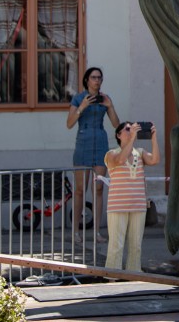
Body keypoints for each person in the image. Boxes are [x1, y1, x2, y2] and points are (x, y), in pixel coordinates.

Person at [66, 66, 119, 242]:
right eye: (94, 77)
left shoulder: (105, 98)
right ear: (87, 80)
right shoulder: (78, 98)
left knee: (99, 188)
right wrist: (82, 107)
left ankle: (97, 232)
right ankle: (76, 232)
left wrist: (110, 106)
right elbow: (69, 123)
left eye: (99, 78)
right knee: (80, 190)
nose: (97, 80)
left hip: (101, 142)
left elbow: (116, 125)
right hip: (83, 142)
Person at [105, 122, 160, 271]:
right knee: (116, 245)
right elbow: (120, 160)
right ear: (118, 135)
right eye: (127, 129)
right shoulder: (111, 154)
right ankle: (112, 276)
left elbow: (155, 160)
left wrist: (154, 138)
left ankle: (134, 274)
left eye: (132, 129)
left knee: (136, 246)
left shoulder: (140, 152)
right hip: (117, 206)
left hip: (138, 205)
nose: (131, 131)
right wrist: (131, 140)